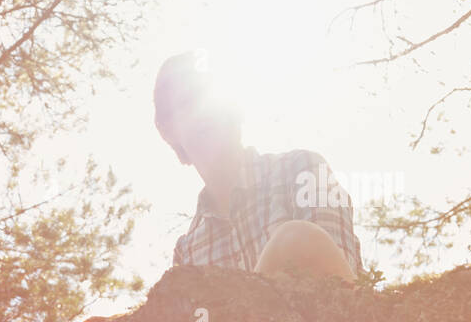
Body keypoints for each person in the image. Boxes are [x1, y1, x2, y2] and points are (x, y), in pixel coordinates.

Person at [155, 49, 363, 281]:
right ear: (169, 132)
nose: (203, 109)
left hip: (325, 318)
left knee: (296, 238)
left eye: (208, 94)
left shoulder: (305, 172)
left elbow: (338, 290)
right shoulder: (187, 252)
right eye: (186, 102)